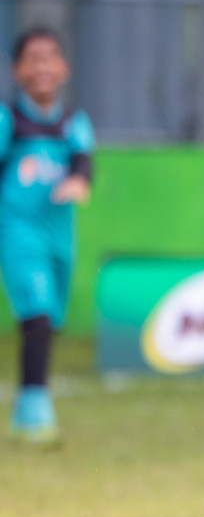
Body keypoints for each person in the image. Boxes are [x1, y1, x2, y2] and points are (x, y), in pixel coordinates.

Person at [0, 29, 94, 446]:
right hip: (19, 232)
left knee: (49, 319)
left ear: (64, 69)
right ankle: (37, 412)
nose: (42, 66)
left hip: (60, 237)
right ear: (18, 70)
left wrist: (78, 182)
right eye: (32, 59)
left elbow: (83, 163)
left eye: (50, 57)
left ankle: (25, 407)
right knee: (35, 312)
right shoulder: (8, 120)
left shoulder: (74, 121)